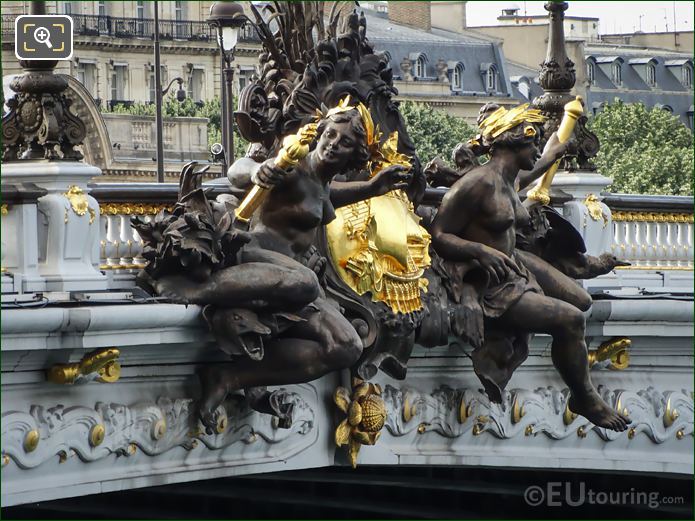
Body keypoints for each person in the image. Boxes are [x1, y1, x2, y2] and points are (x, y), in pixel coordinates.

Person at [161, 100, 410, 430]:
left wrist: (374, 187)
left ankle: (230, 377)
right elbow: (239, 169)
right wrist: (255, 172)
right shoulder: (293, 166)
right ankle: (193, 290)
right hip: (255, 256)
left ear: (354, 155)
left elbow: (327, 196)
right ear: (319, 133)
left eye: (345, 142)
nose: (334, 144)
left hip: (292, 276)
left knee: (347, 345)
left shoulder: (321, 182)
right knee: (307, 282)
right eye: (331, 135)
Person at [429, 104, 629, 432]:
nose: (536, 150)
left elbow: (544, 161)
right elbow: (438, 233)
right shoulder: (478, 183)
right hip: (491, 285)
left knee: (581, 301)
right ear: (514, 143)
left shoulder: (510, 179)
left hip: (515, 270)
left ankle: (556, 354)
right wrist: (480, 251)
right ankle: (584, 396)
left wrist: (559, 142)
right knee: (571, 320)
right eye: (533, 144)